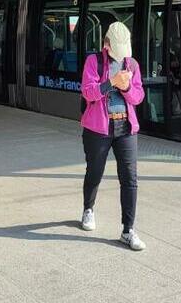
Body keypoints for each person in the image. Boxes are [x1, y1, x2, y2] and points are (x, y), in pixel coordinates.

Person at [79, 22, 146, 251]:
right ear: (106, 44)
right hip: (98, 128)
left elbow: (138, 97)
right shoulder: (94, 61)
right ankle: (88, 209)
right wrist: (111, 83)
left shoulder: (132, 64)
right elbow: (88, 92)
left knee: (130, 178)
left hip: (126, 127)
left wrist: (126, 88)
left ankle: (128, 230)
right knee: (94, 171)